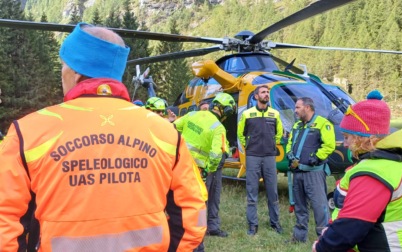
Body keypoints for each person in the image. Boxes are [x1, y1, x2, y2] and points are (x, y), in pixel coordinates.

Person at [0, 23, 207, 252]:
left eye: (63, 66)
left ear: (74, 72)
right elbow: (193, 213)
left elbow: (4, 219)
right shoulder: (165, 132)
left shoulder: (27, 132)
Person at [312, 90, 402, 252]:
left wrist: (322, 247)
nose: (345, 144)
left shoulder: (373, 173)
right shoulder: (400, 160)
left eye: (347, 137)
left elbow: (351, 226)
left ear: (363, 138)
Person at [174, 92, 236, 252]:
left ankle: (183, 230)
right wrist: (210, 169)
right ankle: (196, 238)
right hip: (201, 171)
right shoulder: (218, 128)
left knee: (182, 201)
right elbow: (216, 155)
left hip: (182, 166)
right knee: (200, 203)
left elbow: (174, 127)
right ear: (226, 111)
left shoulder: (192, 114)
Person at [285, 97, 335, 243]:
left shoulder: (323, 124)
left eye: (297, 107)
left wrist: (317, 157)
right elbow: (289, 142)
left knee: (319, 206)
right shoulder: (297, 125)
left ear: (307, 107)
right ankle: (299, 237)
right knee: (300, 206)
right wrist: (289, 154)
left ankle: (324, 238)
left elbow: (329, 145)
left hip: (314, 173)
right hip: (298, 172)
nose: (295, 111)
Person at [237, 85, 284, 236]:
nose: (266, 95)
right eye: (263, 92)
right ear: (256, 96)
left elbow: (279, 132)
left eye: (268, 92)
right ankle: (252, 225)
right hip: (253, 156)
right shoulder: (247, 114)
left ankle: (275, 223)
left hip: (270, 156)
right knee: (252, 191)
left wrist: (272, 144)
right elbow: (241, 133)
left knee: (273, 191)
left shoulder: (274, 114)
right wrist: (249, 146)